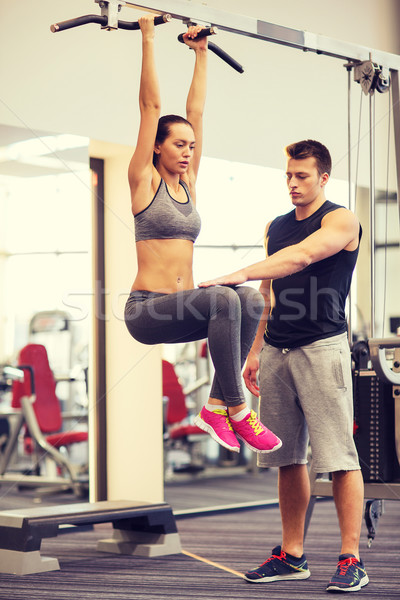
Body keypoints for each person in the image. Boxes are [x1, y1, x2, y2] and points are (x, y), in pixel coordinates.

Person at [199, 140, 368, 593]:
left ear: (324, 177)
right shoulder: (275, 226)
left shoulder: (341, 219)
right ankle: (292, 555)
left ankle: (351, 559)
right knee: (285, 456)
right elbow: (271, 294)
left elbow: (303, 257)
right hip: (278, 350)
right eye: (289, 176)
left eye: (302, 177)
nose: (293, 184)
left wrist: (236, 274)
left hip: (322, 349)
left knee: (337, 457)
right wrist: (255, 351)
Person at [124, 15, 281, 456]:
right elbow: (151, 109)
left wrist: (201, 53)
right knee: (224, 297)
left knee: (247, 297)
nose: (188, 151)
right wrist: (149, 37)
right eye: (178, 145)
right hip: (147, 310)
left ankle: (215, 406)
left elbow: (195, 113)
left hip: (185, 309)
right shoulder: (143, 181)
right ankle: (237, 406)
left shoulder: (189, 183)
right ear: (157, 146)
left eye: (191, 146)